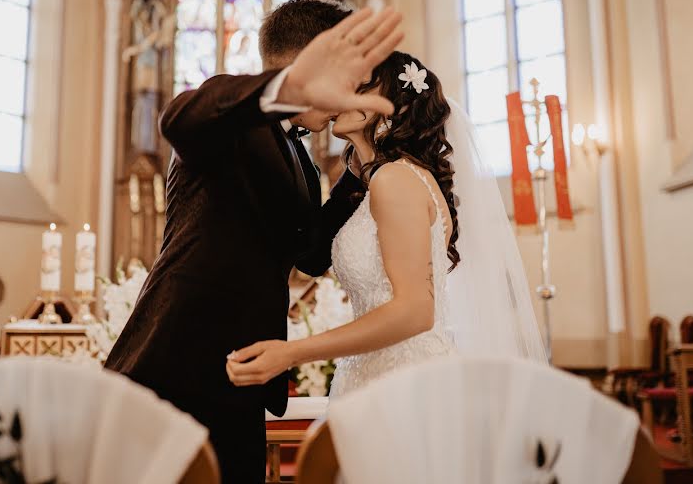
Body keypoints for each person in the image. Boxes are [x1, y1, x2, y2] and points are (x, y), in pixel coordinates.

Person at [104, 0, 403, 483]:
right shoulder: (229, 122)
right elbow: (180, 118)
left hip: (242, 376)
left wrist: (358, 175)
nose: (350, 95)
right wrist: (288, 90)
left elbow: (308, 255)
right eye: (346, 77)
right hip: (176, 365)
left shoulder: (303, 160)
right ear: (305, 63)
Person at [226, 51, 547, 397]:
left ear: (388, 110)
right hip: (375, 375)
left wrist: (290, 353)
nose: (340, 97)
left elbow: (414, 312)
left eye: (357, 89)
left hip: (405, 386)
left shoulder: (395, 179)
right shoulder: (385, 181)